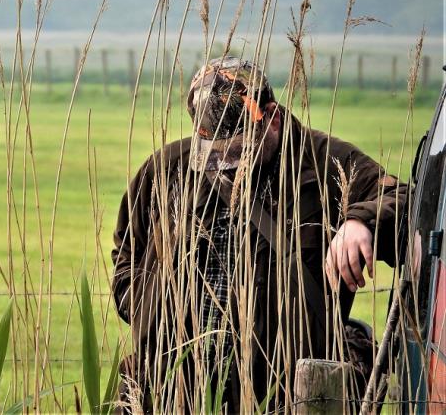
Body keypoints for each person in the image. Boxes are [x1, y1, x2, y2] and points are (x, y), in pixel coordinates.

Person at [111, 56, 407, 412]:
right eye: (216, 153)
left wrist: (361, 221)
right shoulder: (165, 171)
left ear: (273, 117)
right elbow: (126, 255)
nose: (229, 164)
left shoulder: (324, 161)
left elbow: (405, 200)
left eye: (239, 149)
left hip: (281, 389)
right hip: (177, 386)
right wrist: (148, 313)